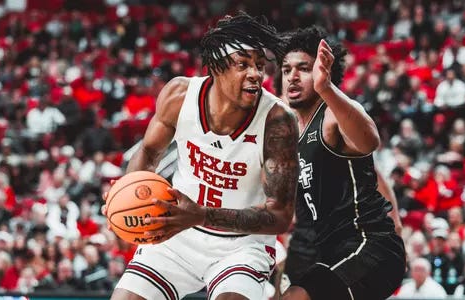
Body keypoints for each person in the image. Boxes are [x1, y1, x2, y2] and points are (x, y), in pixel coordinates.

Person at [103, 13, 300, 300]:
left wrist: (201, 215)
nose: (256, 73)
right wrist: (128, 197)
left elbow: (280, 217)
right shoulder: (179, 97)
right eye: (242, 64)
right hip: (176, 234)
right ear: (216, 68)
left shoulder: (278, 121)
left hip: (241, 246)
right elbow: (148, 151)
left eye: (259, 65)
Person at [278, 26, 405, 300]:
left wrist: (327, 89)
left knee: (295, 298)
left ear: (324, 72)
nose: (293, 77)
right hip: (330, 250)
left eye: (303, 68)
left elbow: (370, 142)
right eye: (286, 69)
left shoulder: (333, 116)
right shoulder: (291, 133)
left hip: (370, 246)